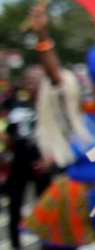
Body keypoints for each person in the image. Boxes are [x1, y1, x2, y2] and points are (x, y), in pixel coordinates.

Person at [22, 6, 95, 250]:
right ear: (94, 89)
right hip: (72, 199)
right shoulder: (79, 116)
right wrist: (42, 34)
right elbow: (57, 80)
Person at [2, 67, 52, 250]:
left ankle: (47, 242)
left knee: (45, 205)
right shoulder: (15, 103)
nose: (31, 83)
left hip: (42, 160)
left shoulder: (50, 103)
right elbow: (8, 130)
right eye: (28, 79)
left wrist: (49, 159)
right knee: (14, 204)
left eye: (35, 79)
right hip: (19, 160)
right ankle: (15, 243)